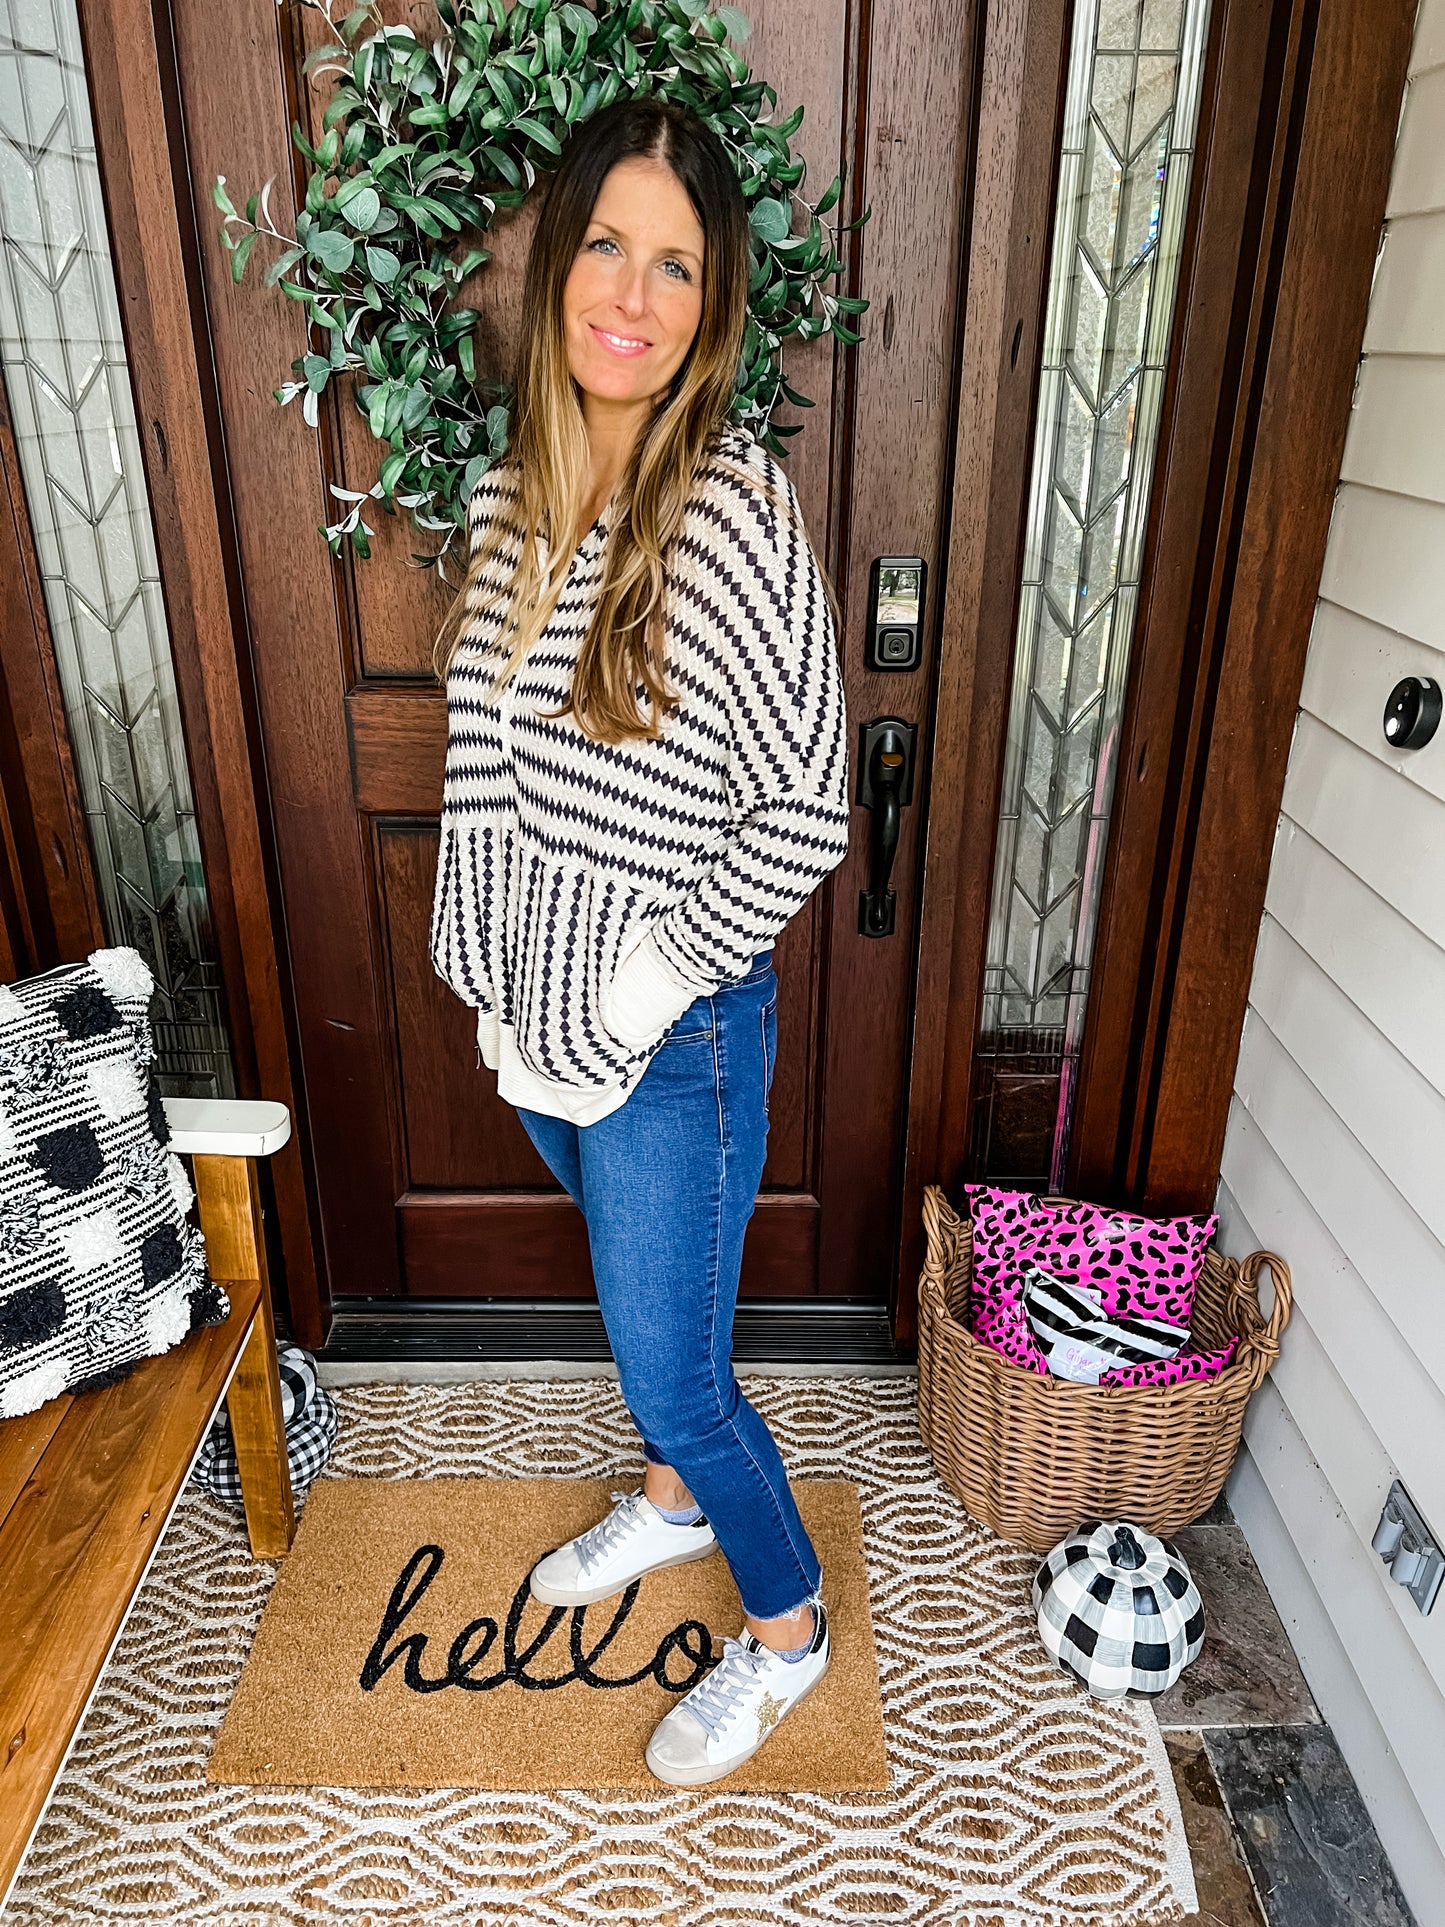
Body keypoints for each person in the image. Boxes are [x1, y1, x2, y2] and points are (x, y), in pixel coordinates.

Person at [428, 95, 850, 1787]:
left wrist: (633, 982)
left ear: (710, 301)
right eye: (606, 242)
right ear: (557, 268)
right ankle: (673, 1512)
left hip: (667, 1031)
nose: (633, 291)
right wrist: (489, 980)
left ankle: (787, 1632)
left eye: (673, 264)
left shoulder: (731, 510)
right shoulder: (503, 492)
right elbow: (476, 760)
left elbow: (805, 810)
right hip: (532, 1020)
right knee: (657, 1323)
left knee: (674, 1374)